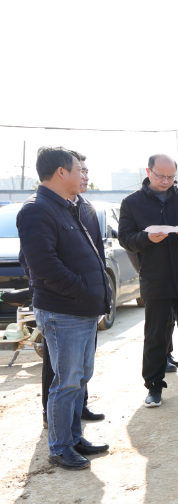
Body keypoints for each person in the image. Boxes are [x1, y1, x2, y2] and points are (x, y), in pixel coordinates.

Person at [17, 147, 111, 470]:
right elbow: (43, 266)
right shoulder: (37, 210)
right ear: (61, 172)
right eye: (78, 169)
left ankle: (73, 437)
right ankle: (59, 447)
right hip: (64, 311)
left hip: (81, 309)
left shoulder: (69, 206)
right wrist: (83, 291)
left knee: (80, 377)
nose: (83, 175)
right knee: (67, 381)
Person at [119, 154, 178, 408]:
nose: (166, 181)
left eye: (171, 177)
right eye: (161, 176)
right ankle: (154, 385)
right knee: (155, 336)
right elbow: (125, 238)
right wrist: (146, 238)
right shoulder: (132, 202)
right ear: (148, 172)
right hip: (155, 278)